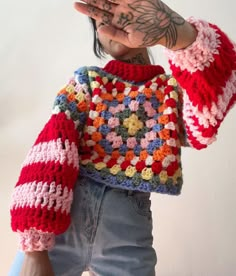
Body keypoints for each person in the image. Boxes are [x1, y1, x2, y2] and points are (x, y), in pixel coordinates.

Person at [9, 0, 236, 275]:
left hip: (128, 239)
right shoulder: (88, 83)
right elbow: (50, 152)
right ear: (98, 38)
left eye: (119, 11)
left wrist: (179, 33)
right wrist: (35, 248)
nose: (110, 23)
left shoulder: (172, 94)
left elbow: (208, 111)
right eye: (101, 21)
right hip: (59, 230)